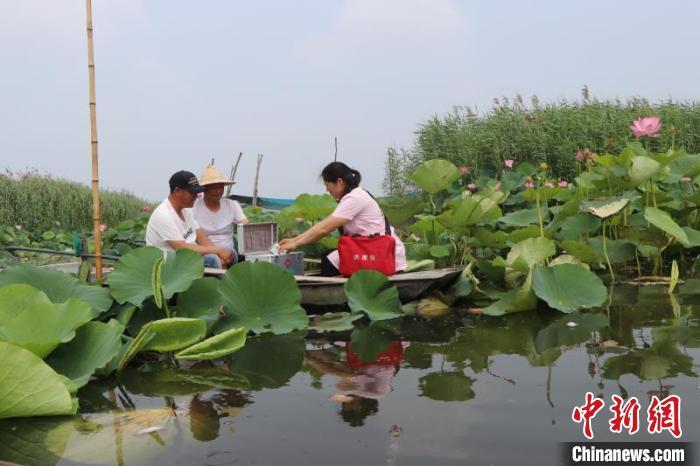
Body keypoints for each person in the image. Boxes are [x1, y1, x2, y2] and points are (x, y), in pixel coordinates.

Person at [278, 161, 406, 276]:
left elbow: (324, 229)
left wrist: (295, 243)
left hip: (383, 254)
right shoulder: (355, 194)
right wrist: (294, 240)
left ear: (339, 182)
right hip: (373, 249)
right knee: (328, 255)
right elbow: (324, 225)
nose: (327, 190)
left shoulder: (354, 198)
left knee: (328, 262)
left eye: (327, 185)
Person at [145, 170, 235, 268]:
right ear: (177, 191)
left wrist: (220, 253)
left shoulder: (186, 210)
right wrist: (217, 251)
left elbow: (201, 237)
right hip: (170, 265)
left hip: (189, 258)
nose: (196, 196)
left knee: (230, 253)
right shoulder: (163, 214)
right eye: (192, 192)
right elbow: (181, 248)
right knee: (212, 259)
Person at [192, 163, 248, 265]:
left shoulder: (232, 205)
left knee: (226, 255)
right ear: (204, 188)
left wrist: (243, 224)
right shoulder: (194, 208)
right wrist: (217, 251)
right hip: (206, 251)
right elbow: (199, 237)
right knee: (213, 259)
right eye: (214, 187)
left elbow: (244, 224)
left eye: (221, 187)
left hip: (228, 250)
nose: (218, 191)